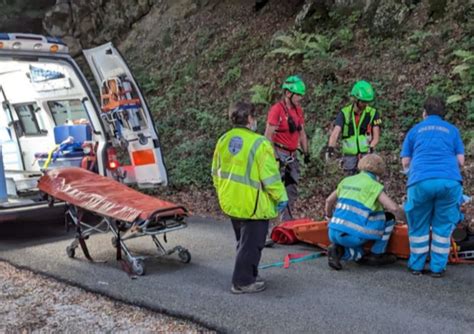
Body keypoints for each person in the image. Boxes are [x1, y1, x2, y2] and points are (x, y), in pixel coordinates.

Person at [212, 101, 288, 294]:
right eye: (254, 117)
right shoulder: (259, 143)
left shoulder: (223, 140)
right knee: (252, 245)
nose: (256, 121)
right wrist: (281, 197)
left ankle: (249, 273)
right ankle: (243, 282)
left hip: (231, 200)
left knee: (243, 242)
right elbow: (270, 177)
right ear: (249, 119)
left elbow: (215, 171)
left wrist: (222, 192)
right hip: (253, 204)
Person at [401, 96, 464, 278]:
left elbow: (406, 162)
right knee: (442, 226)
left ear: (424, 113)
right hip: (449, 181)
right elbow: (460, 160)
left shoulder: (414, 131)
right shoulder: (453, 131)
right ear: (443, 114)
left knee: (418, 224)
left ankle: (416, 266)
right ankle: (437, 268)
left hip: (421, 181)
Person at [324, 154, 406, 270]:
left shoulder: (347, 180)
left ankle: (339, 251)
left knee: (359, 255)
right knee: (389, 218)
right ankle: (376, 254)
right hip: (352, 236)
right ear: (380, 170)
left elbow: (328, 201)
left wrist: (329, 216)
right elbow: (394, 209)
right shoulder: (373, 186)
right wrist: (408, 220)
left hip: (333, 231)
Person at [264, 75, 309, 222]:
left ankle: (287, 222)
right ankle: (271, 223)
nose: (300, 98)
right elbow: (268, 135)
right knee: (275, 189)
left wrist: (306, 152)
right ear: (288, 93)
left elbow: (301, 132)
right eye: (298, 95)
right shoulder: (277, 110)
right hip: (279, 152)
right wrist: (274, 156)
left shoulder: (298, 111)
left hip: (292, 155)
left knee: (291, 189)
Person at [326, 80, 382, 175]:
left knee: (366, 180)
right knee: (350, 181)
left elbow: (376, 136)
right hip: (349, 156)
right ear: (356, 99)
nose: (365, 104)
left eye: (367, 102)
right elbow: (335, 133)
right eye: (363, 101)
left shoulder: (372, 113)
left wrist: (371, 147)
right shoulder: (344, 113)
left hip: (366, 154)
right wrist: (330, 147)